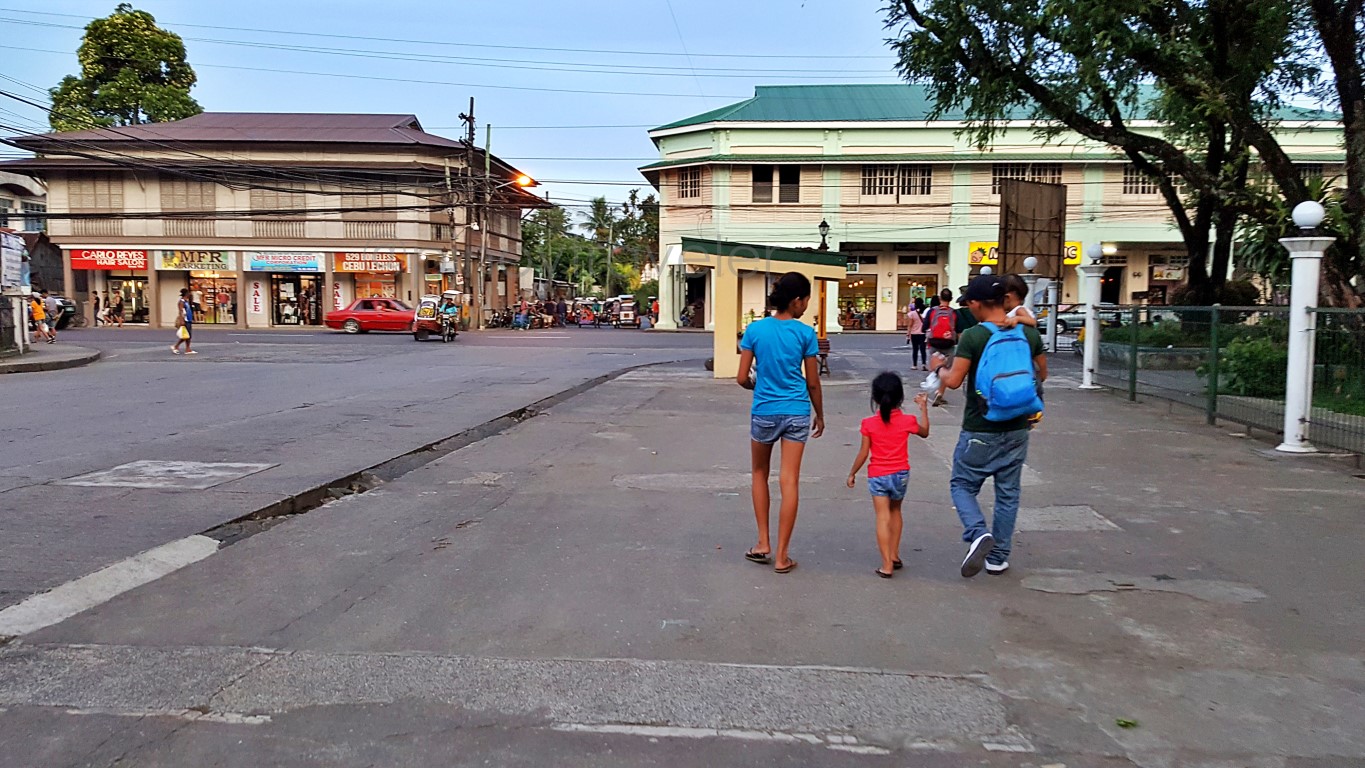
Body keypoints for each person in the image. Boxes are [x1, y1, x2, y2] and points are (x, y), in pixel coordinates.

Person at [931, 274, 1047, 578]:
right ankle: (998, 558)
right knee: (1008, 493)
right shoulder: (1028, 334)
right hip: (1018, 427)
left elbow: (954, 382)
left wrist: (940, 369)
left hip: (980, 427)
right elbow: (1042, 375)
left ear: (976, 304)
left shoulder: (973, 336)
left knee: (962, 484)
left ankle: (977, 531)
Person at [736, 272, 825, 575]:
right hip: (797, 412)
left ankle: (763, 542)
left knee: (760, 473)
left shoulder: (755, 330)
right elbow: (812, 382)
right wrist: (820, 414)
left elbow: (741, 376)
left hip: (764, 410)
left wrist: (757, 388)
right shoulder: (805, 334)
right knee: (789, 481)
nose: (806, 306)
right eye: (805, 300)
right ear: (796, 300)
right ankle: (783, 556)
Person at [846, 372, 930, 578]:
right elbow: (925, 432)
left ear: (874, 398)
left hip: (878, 475)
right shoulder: (908, 421)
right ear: (900, 398)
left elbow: (863, 453)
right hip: (901, 474)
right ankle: (894, 554)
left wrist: (852, 473)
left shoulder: (868, 424)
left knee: (882, 517)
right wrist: (923, 408)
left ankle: (886, 564)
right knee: (896, 512)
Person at [924, 289, 960, 406]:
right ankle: (940, 393)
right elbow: (958, 330)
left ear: (940, 298)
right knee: (945, 369)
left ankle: (931, 387)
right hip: (948, 344)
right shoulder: (953, 313)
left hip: (934, 343)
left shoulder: (932, 311)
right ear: (951, 299)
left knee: (935, 367)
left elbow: (924, 327)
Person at [171, 287, 196, 355]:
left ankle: (188, 348)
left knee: (188, 335)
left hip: (189, 319)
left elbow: (190, 309)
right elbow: (181, 311)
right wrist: (182, 320)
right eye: (188, 293)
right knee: (186, 335)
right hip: (185, 319)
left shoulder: (186, 301)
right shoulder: (181, 302)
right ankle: (176, 346)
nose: (189, 294)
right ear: (186, 294)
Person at [905, 297, 928, 370]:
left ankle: (914, 365)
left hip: (914, 333)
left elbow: (910, 325)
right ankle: (924, 364)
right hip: (923, 333)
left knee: (915, 350)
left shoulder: (911, 314)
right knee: (923, 350)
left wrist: (908, 334)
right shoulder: (925, 313)